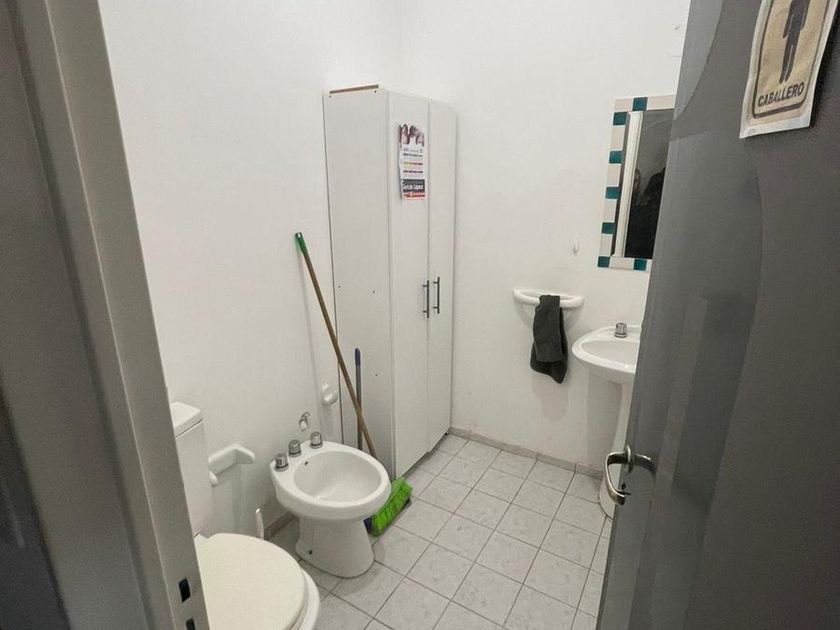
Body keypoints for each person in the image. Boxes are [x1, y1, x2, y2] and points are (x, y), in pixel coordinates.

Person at [780, 0, 810, 83]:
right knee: (788, 50)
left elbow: (805, 14)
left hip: (797, 29)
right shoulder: (795, 2)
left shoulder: (806, 2)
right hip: (792, 28)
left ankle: (788, 72)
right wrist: (786, 31)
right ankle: (783, 73)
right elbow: (790, 15)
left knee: (793, 51)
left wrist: (802, 26)